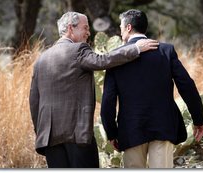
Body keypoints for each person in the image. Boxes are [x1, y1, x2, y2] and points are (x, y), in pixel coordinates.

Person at [29, 11, 159, 168]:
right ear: (71, 28)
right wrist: (135, 49)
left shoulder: (41, 60)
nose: (88, 33)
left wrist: (41, 132)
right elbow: (103, 60)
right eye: (85, 28)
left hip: (49, 138)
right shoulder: (78, 50)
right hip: (77, 135)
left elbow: (34, 101)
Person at [100, 9, 203, 168]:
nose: (120, 31)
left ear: (128, 27)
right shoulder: (166, 50)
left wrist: (112, 133)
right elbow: (186, 85)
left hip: (130, 129)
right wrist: (199, 119)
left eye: (121, 27)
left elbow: (108, 100)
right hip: (163, 126)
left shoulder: (116, 56)